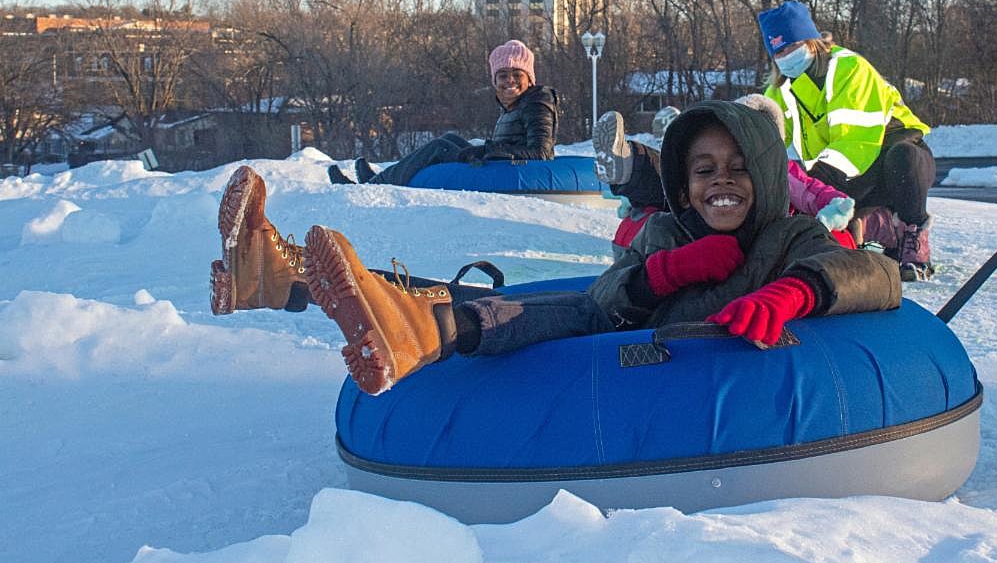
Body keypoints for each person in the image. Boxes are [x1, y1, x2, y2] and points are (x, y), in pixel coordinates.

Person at [211, 100, 900, 395]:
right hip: (628, 352)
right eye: (703, 170)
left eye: (738, 167)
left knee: (542, 309)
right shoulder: (667, 233)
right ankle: (292, 282)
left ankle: (289, 282)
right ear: (684, 187)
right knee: (540, 308)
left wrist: (797, 289)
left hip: (713, 383)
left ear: (766, 173)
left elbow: (874, 272)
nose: (722, 181)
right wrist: (663, 272)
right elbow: (607, 300)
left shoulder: (791, 238)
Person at [759, 1, 936, 281]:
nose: (786, 55)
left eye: (792, 46)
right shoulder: (778, 92)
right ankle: (881, 227)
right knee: (825, 215)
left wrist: (816, 190)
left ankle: (913, 236)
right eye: (779, 51)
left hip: (890, 153)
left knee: (904, 158)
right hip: (849, 171)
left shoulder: (848, 68)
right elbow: (769, 146)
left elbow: (856, 142)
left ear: (811, 41)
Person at [604, 94, 858, 256]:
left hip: (764, 225)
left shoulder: (784, 176)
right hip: (702, 218)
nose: (724, 176)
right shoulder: (674, 220)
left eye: (741, 166)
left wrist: (833, 208)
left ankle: (632, 168)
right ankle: (630, 167)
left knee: (672, 178)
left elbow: (811, 191)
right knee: (667, 180)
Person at [329, 39, 559, 186]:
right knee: (449, 139)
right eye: (503, 75)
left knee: (440, 147)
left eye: (517, 74)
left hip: (515, 170)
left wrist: (490, 150)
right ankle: (380, 178)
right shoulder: (515, 105)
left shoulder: (536, 104)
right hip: (500, 163)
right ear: (494, 80)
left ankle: (377, 184)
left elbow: (541, 152)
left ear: (529, 79)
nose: (509, 80)